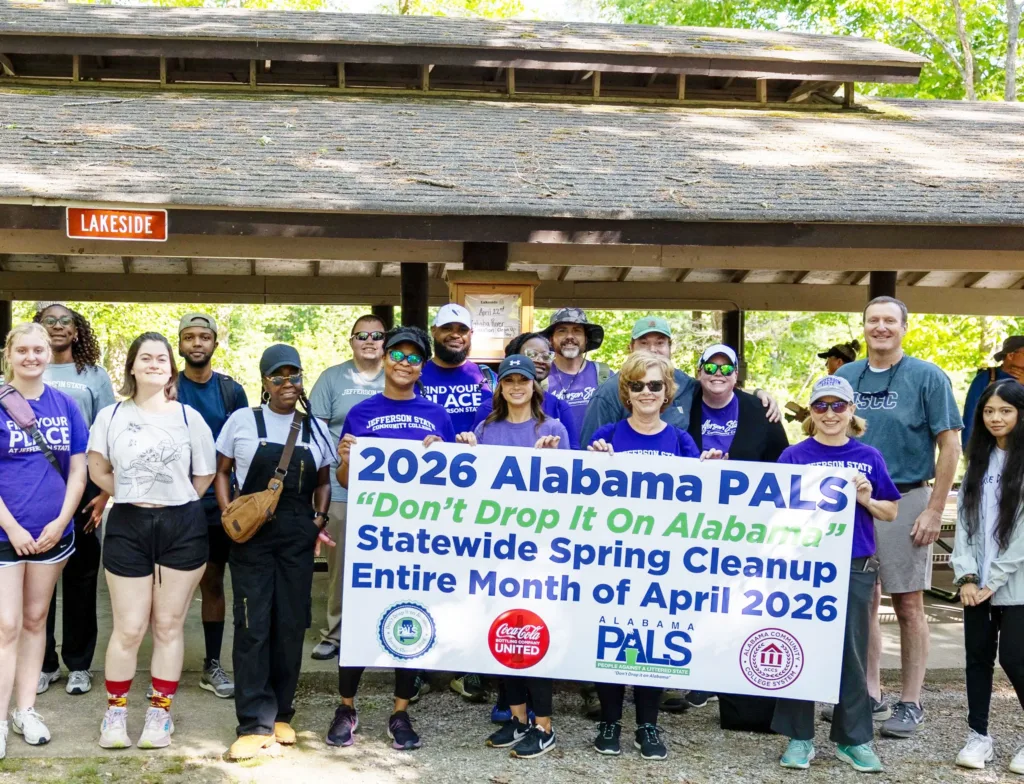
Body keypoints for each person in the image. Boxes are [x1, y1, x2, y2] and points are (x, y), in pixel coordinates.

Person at [835, 296, 962, 738]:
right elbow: (825, 429)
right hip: (852, 502)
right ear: (863, 326)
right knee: (862, 602)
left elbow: (950, 445)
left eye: (890, 320)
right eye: (873, 320)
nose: (881, 327)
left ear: (904, 327)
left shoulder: (928, 377)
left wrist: (933, 508)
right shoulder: (846, 376)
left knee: (908, 604)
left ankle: (911, 700)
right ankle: (870, 693)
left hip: (906, 496)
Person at [327, 326, 455, 751]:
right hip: (370, 531)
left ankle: (400, 711)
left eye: (414, 357)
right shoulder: (361, 412)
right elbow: (345, 479)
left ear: (422, 367)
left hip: (417, 535)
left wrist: (444, 455)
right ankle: (346, 706)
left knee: (410, 616)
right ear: (383, 359)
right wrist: (346, 459)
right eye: (396, 355)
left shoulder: (438, 415)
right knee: (359, 617)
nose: (404, 362)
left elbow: (454, 482)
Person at [87, 332, 216, 751]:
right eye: (146, 358)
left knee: (168, 624)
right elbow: (97, 469)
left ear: (171, 369)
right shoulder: (111, 415)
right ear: (132, 367)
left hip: (182, 525)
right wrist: (131, 492)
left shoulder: (188, 417)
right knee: (128, 628)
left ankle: (160, 714)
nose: (155, 364)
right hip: (128, 523)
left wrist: (175, 501)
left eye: (162, 358)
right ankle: (116, 713)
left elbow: (205, 475)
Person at [771, 375, 900, 774]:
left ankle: (854, 740)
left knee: (853, 656)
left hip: (854, 566)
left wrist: (866, 498)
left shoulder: (869, 456)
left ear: (851, 411)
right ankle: (800, 738)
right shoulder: (793, 455)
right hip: (804, 568)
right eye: (821, 406)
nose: (830, 414)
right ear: (811, 412)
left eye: (838, 405)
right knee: (800, 648)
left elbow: (891, 511)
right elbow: (771, 511)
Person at [216, 344, 335, 761]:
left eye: (294, 375)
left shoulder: (315, 428)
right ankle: (253, 722)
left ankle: (282, 712)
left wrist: (317, 521)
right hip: (251, 538)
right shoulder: (242, 421)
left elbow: (324, 480)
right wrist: (228, 513)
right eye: (278, 376)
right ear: (264, 383)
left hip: (297, 540)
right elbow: (222, 470)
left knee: (289, 625)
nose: (288, 383)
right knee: (252, 625)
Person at [587, 352, 707, 762]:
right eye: (637, 385)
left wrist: (711, 472)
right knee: (611, 635)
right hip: (613, 558)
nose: (646, 392)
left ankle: (647, 724)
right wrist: (593, 461)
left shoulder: (680, 441)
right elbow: (583, 500)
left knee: (652, 637)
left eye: (655, 385)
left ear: (667, 392)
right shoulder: (606, 435)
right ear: (626, 392)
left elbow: (701, 504)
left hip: (664, 560)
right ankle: (610, 721)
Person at [455, 354, 568, 759]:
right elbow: (470, 489)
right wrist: (464, 449)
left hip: (540, 554)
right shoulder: (485, 429)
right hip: (496, 551)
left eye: (524, 379)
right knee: (506, 635)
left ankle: (545, 725)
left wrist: (554, 462)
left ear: (534, 386)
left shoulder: (552, 428)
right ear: (499, 387)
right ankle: (519, 719)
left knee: (534, 634)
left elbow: (571, 492)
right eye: (509, 380)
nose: (517, 386)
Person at [682, 343, 790, 712]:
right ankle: (698, 674)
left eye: (727, 369)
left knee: (735, 600)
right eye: (710, 367)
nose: (718, 374)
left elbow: (784, 463)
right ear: (698, 372)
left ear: (737, 375)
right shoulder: (682, 405)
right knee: (695, 597)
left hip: (746, 525)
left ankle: (728, 674)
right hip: (692, 522)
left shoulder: (759, 410)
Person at [0, 323, 88, 758]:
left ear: (49, 355)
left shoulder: (66, 406)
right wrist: (12, 527)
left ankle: (25, 710)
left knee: (36, 621)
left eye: (39, 350)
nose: (32, 357)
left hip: (53, 532)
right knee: (6, 625)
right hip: (4, 534)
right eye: (23, 350)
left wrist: (62, 520)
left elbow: (78, 468)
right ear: (9, 355)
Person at [33, 304, 114, 698]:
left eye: (66, 320)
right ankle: (44, 663)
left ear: (77, 332)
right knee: (39, 582)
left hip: (83, 493)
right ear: (38, 330)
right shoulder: (26, 374)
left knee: (81, 579)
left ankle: (79, 665)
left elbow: (106, 435)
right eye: (49, 320)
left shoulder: (94, 377)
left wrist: (103, 493)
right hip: (34, 493)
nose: (58, 326)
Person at [418, 304, 494, 703]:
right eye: (447, 328)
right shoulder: (418, 372)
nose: (454, 335)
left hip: (476, 493)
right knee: (426, 575)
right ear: (435, 331)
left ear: (469, 335)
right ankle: (416, 663)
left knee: (471, 578)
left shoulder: (487, 376)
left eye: (461, 329)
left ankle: (468, 667)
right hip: (427, 491)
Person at [174, 313, 248, 700]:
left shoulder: (230, 391)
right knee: (169, 587)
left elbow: (245, 446)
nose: (197, 343)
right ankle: (162, 665)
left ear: (215, 344)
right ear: (180, 345)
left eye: (204, 337)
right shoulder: (168, 388)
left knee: (216, 582)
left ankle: (212, 664)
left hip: (220, 504)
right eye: (189, 337)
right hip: (174, 504)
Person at [952, 380, 1024, 773]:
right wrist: (965, 576)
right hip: (975, 585)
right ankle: (978, 736)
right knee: (977, 659)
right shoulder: (976, 461)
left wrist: (991, 582)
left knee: (1016, 658)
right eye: (989, 411)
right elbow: (965, 524)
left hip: (1014, 585)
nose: (996, 418)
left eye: (1006, 411)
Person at [308, 315, 386, 662]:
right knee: (341, 565)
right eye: (362, 336)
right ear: (351, 341)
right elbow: (316, 433)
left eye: (377, 336)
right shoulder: (332, 378)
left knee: (385, 564)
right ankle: (334, 633)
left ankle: (379, 631)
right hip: (342, 487)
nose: (369, 341)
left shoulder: (398, 374)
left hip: (391, 491)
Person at [580, 316, 781, 447]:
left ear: (670, 347)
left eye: (660, 343)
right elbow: (589, 451)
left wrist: (758, 394)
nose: (653, 350)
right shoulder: (607, 393)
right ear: (630, 347)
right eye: (644, 343)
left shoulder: (685, 384)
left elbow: (717, 385)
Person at [471, 333, 579, 449]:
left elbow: (572, 458)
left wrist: (551, 456)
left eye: (546, 356)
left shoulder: (559, 410)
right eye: (531, 354)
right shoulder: (486, 415)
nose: (540, 360)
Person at [541, 308, 610, 438]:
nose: (570, 337)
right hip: (553, 454)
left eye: (577, 331)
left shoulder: (604, 375)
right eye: (562, 331)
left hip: (596, 454)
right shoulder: (540, 377)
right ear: (551, 339)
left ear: (586, 339)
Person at [962, 336, 1024, 448]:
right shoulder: (986, 378)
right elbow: (971, 417)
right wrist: (970, 453)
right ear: (1010, 355)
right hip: (988, 451)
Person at [786, 340, 861, 423]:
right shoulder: (858, 383)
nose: (826, 365)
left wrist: (807, 419)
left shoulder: (834, 387)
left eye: (828, 361)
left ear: (839, 362)